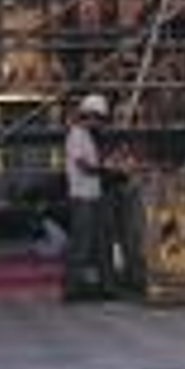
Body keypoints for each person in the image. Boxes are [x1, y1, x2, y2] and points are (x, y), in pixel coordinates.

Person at [63, 93, 117, 301]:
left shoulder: (86, 135)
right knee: (81, 244)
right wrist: (104, 171)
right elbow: (82, 166)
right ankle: (72, 289)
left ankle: (105, 286)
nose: (99, 123)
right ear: (90, 115)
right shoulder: (76, 135)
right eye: (98, 118)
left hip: (93, 195)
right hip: (81, 197)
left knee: (100, 243)